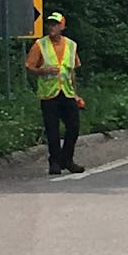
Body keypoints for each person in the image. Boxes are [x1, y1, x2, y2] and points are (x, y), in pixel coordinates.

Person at [24, 11, 86, 175]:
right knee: (52, 129)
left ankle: (67, 159)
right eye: (50, 24)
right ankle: (55, 162)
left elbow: (72, 70)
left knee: (73, 127)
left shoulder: (71, 45)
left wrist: (76, 93)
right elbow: (29, 66)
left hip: (67, 92)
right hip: (49, 94)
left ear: (62, 26)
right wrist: (43, 71)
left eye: (55, 24)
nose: (52, 27)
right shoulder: (40, 44)